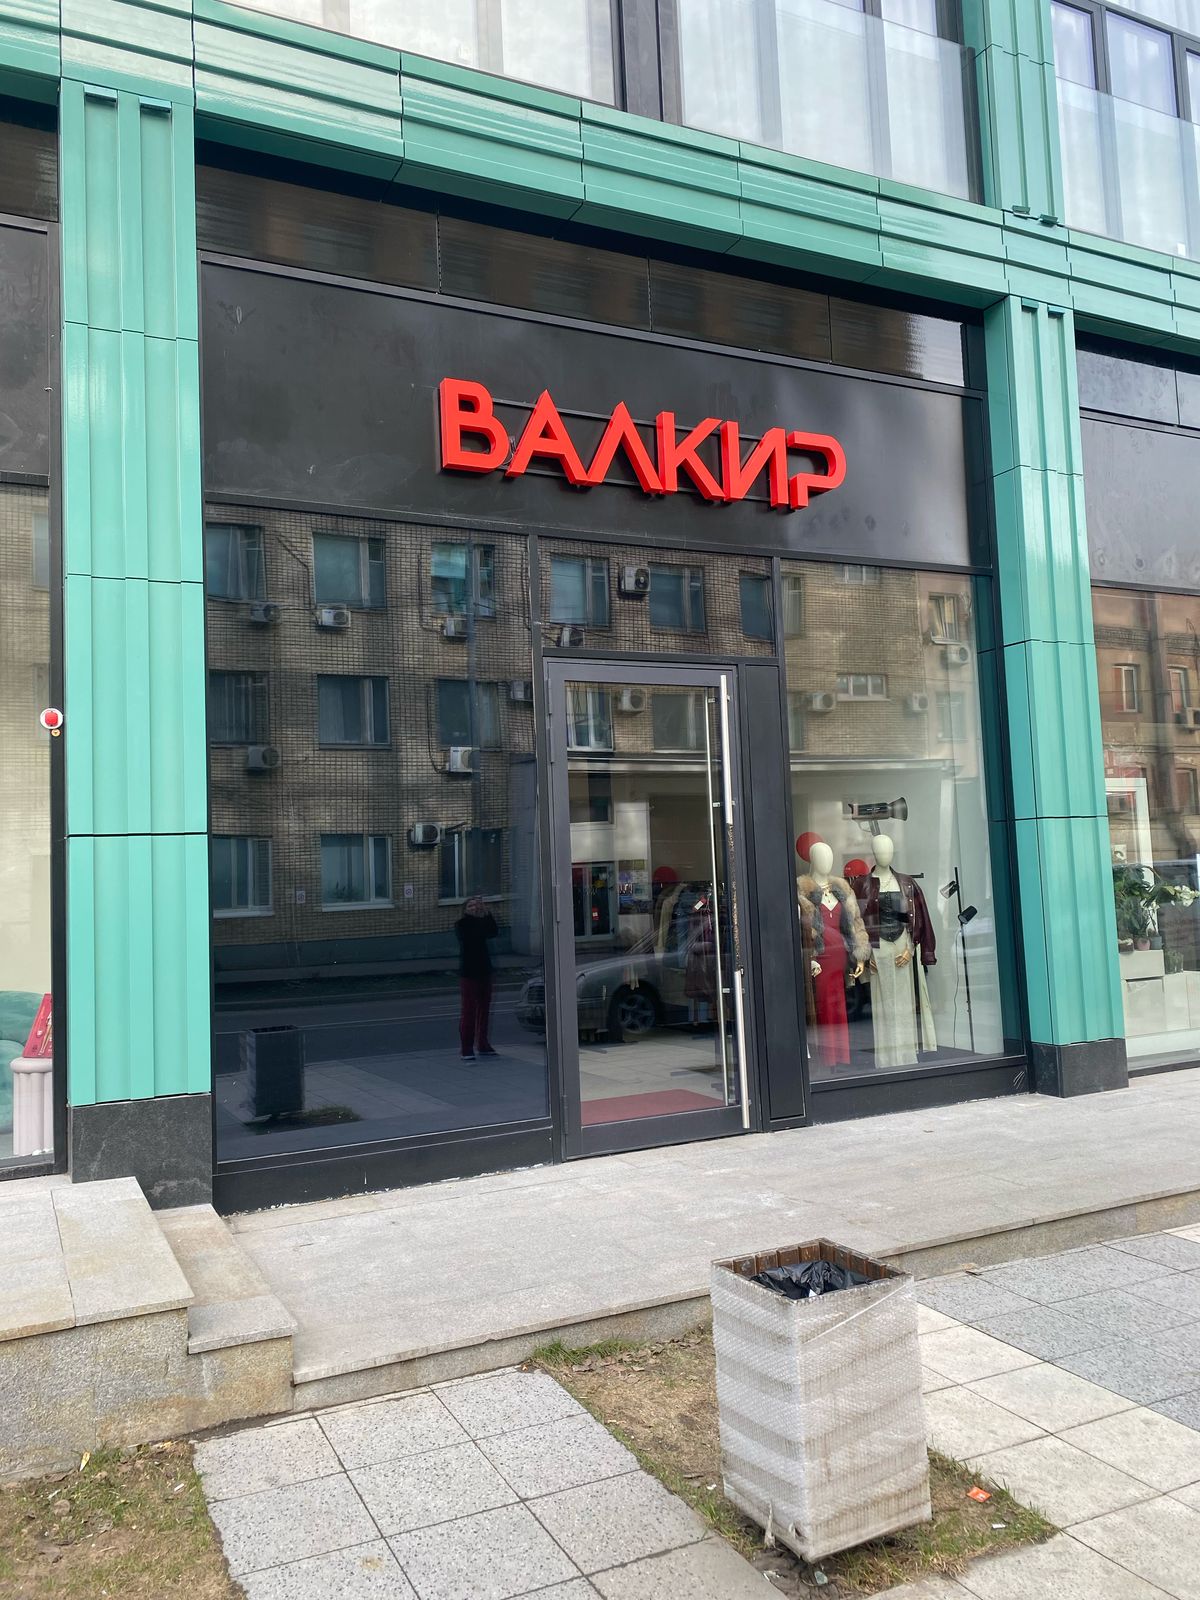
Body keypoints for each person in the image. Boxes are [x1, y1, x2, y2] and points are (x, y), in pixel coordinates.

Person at [456, 896, 498, 1061]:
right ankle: (466, 1048)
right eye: (471, 906)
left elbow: (493, 932)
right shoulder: (462, 924)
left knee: (484, 1009)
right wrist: (480, 919)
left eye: (476, 905)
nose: (474, 908)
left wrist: (487, 913)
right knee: (469, 1011)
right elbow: (474, 935)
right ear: (465, 910)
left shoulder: (481, 922)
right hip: (469, 972)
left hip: (484, 970)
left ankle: (482, 1044)